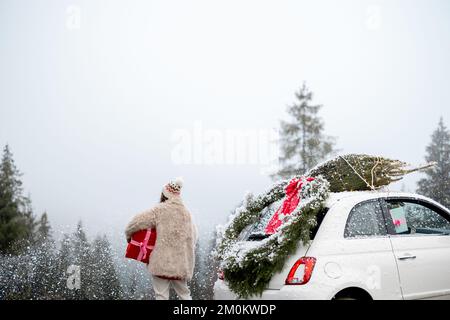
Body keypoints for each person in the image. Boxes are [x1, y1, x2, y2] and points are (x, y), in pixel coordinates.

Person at [125, 177, 197, 300]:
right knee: (185, 295)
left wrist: (129, 235)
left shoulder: (159, 210)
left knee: (161, 295)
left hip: (161, 262)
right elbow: (194, 237)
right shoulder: (187, 213)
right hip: (180, 264)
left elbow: (136, 222)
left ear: (165, 194)